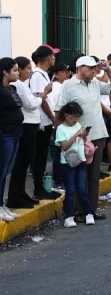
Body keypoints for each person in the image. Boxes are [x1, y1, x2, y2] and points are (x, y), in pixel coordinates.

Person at [54, 56, 111, 222]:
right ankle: (78, 211)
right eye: (91, 68)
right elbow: (59, 112)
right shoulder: (68, 85)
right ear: (80, 67)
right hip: (77, 139)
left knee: (93, 176)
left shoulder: (95, 83)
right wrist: (63, 135)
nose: (94, 71)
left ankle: (90, 210)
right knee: (78, 174)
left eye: (95, 68)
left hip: (97, 134)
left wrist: (108, 71)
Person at [6, 56, 52, 208]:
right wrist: (44, 93)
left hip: (31, 124)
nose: (30, 72)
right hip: (26, 125)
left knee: (25, 162)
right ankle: (15, 196)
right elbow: (31, 104)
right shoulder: (18, 85)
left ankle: (21, 194)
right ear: (19, 70)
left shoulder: (22, 85)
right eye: (28, 68)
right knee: (21, 162)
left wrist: (38, 97)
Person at [55, 102, 94, 227]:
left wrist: (84, 136)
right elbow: (64, 147)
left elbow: (81, 142)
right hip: (67, 163)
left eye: (78, 117)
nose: (76, 120)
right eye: (74, 117)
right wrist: (75, 135)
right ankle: (69, 217)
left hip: (80, 160)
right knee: (70, 190)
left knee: (82, 189)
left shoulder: (77, 124)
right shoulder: (61, 129)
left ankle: (88, 213)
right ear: (66, 116)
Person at [30, 46, 60, 200]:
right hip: (42, 122)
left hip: (47, 121)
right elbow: (41, 100)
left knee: (42, 155)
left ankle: (41, 188)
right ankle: (38, 189)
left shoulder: (44, 75)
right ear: (48, 57)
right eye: (53, 56)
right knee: (40, 156)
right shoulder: (37, 75)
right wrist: (53, 118)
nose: (54, 59)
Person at [0, 58, 23, 222]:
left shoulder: (12, 89)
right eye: (14, 70)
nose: (18, 72)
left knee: (5, 171)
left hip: (15, 133)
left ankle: (1, 205)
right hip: (5, 134)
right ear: (5, 72)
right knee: (0, 172)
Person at [47, 64, 70, 189]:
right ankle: (58, 181)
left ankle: (61, 179)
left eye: (67, 72)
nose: (67, 74)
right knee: (59, 154)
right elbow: (57, 106)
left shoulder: (61, 86)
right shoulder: (58, 87)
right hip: (60, 124)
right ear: (56, 74)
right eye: (63, 72)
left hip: (61, 123)